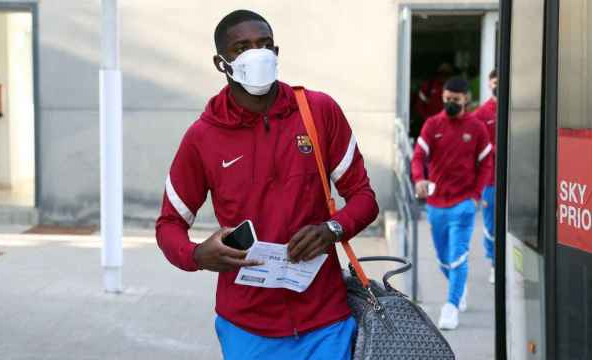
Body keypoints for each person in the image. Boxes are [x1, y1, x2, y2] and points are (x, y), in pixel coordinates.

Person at [155, 10, 379, 360]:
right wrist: (197, 255)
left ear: (276, 52)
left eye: (264, 45)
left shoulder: (318, 111)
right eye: (242, 47)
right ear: (221, 62)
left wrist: (332, 229)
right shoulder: (203, 137)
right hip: (246, 327)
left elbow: (364, 198)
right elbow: (169, 224)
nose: (256, 54)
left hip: (325, 320)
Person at [411, 77, 493, 330]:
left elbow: (487, 163)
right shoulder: (432, 124)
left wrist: (476, 196)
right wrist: (419, 179)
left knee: (458, 257)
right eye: (446, 99)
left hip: (463, 204)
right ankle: (459, 286)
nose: (449, 103)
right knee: (443, 259)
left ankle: (451, 306)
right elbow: (418, 156)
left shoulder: (477, 128)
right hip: (436, 204)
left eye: (455, 100)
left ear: (466, 99)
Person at [473, 69, 498, 284]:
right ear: (489, 84)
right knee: (490, 224)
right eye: (494, 82)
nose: (497, 85)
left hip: (517, 179)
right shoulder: (482, 114)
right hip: (491, 180)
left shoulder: (514, 109)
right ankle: (494, 262)